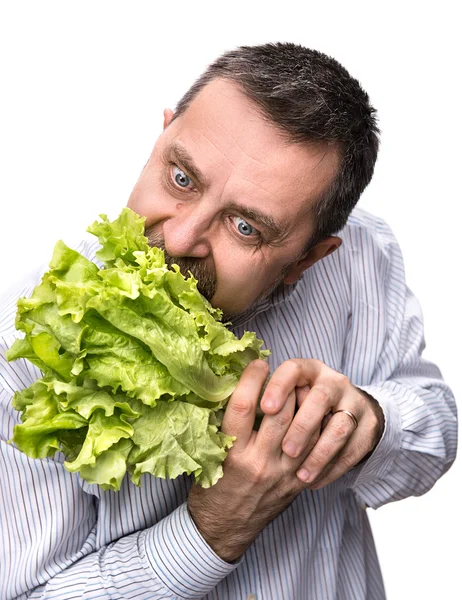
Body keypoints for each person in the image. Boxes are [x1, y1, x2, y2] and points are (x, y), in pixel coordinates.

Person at [0, 42, 457, 600]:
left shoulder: (364, 254)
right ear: (161, 137)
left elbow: (433, 436)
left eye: (245, 228)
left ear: (308, 258)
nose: (179, 238)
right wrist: (211, 530)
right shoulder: (24, 346)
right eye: (181, 178)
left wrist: (367, 423)